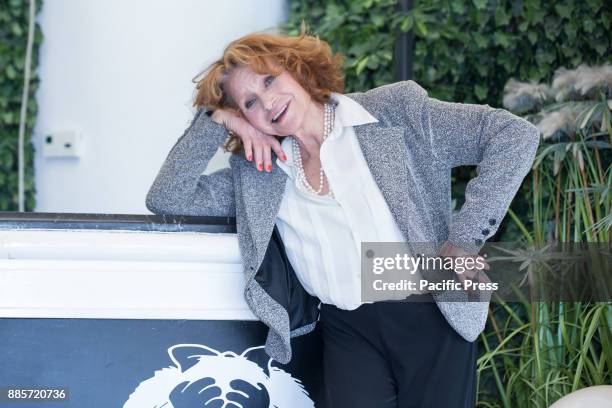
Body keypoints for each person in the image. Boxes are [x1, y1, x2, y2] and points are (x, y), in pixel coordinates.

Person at [145, 24, 540, 407]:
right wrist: (217, 120)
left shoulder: (395, 113)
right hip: (346, 331)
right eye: (247, 103)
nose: (267, 103)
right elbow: (168, 196)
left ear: (295, 68)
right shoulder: (258, 174)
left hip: (431, 309)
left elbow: (513, 136)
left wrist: (465, 240)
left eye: (268, 80)